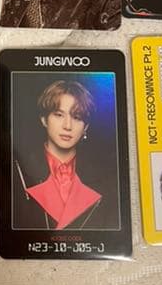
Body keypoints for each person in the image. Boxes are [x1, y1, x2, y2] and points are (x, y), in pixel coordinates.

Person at [13, 80, 117, 229]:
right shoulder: (18, 170)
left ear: (86, 127)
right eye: (59, 115)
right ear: (44, 120)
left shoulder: (107, 179)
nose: (67, 126)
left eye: (77, 117)